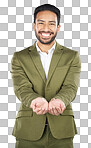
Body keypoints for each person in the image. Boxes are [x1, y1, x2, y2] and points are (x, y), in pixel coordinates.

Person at [11, 4, 81, 148]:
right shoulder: (19, 57)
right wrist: (35, 100)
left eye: (51, 24)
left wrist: (60, 100)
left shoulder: (72, 56)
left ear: (58, 27)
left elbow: (71, 87)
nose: (46, 29)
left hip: (62, 129)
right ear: (34, 26)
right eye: (41, 23)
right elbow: (21, 88)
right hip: (28, 130)